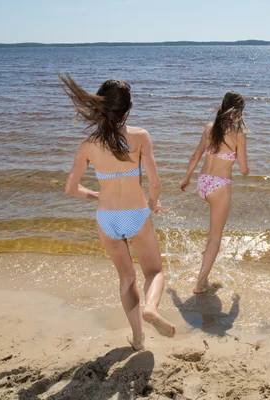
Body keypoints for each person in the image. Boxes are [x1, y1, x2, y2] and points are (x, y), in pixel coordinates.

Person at [60, 73, 176, 350]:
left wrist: (97, 195)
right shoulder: (140, 137)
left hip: (106, 218)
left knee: (126, 278)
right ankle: (151, 308)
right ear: (128, 108)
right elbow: (155, 182)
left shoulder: (88, 145)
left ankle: (137, 338)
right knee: (155, 272)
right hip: (136, 213)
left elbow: (71, 189)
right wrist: (153, 203)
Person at [180, 91, 249, 294]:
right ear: (238, 112)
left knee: (212, 236)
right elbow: (244, 169)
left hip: (202, 184)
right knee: (215, 237)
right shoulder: (238, 134)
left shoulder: (209, 128)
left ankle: (205, 264)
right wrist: (245, 168)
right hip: (219, 186)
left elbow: (196, 155)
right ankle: (200, 282)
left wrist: (186, 178)